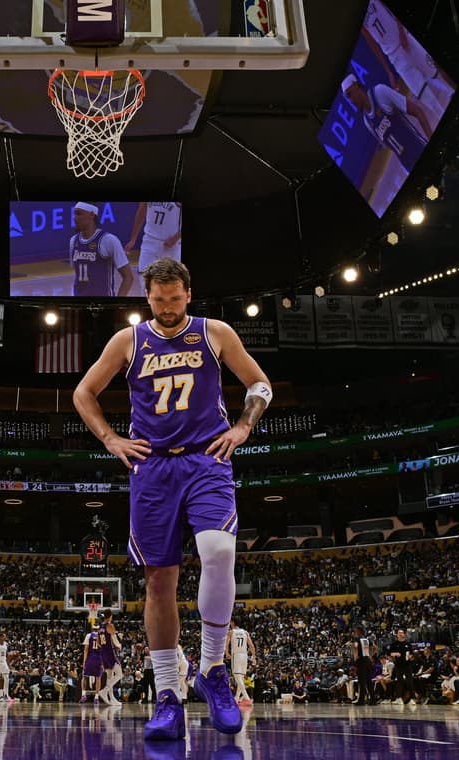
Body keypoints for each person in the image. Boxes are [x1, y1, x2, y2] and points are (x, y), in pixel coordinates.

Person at [73, 258, 273, 742]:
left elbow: (259, 383)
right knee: (159, 581)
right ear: (148, 298)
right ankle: (168, 696)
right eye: (158, 299)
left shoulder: (214, 332)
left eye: (174, 298)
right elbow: (84, 392)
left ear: (188, 293)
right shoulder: (129, 340)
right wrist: (110, 439)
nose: (166, 307)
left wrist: (244, 425)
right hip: (153, 466)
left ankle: (212, 669)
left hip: (207, 458)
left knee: (220, 550)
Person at [341, 74, 434, 170]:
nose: (351, 101)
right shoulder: (367, 121)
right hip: (408, 166)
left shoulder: (379, 92)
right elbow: (389, 145)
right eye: (348, 98)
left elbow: (417, 111)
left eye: (350, 94)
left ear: (355, 85)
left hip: (420, 150)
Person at [69, 202, 134, 297]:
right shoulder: (73, 241)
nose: (75, 218)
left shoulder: (109, 240)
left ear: (91, 215)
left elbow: (128, 277)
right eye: (74, 214)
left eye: (79, 214)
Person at [124, 202, 183, 295]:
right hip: (149, 241)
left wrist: (176, 238)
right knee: (145, 283)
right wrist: (133, 239)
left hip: (171, 246)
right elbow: (141, 211)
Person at [97, 609, 123, 706]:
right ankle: (104, 691)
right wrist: (119, 645)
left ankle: (112, 699)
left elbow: (99, 643)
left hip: (103, 653)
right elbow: (114, 639)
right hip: (110, 653)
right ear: (110, 616)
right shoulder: (110, 625)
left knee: (110, 676)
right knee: (120, 674)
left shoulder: (100, 628)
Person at [226, 619, 256, 706]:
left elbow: (226, 644)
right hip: (245, 655)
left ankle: (246, 698)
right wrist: (254, 657)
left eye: (231, 622)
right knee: (241, 678)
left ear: (233, 622)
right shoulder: (245, 632)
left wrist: (227, 653)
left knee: (236, 676)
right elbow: (251, 645)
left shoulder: (231, 632)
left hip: (236, 654)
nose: (230, 623)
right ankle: (236, 698)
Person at [388, 628, 415, 705]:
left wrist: (410, 657)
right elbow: (389, 654)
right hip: (398, 665)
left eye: (402, 633)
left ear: (404, 634)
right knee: (399, 682)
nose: (400, 634)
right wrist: (395, 654)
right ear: (397, 635)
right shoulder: (394, 644)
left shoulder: (408, 644)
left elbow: (411, 654)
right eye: (399, 633)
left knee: (410, 681)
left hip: (407, 665)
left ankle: (412, 699)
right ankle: (399, 698)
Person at [352, 625, 376, 705]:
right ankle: (373, 700)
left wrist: (355, 657)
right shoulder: (367, 639)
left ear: (358, 632)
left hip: (361, 661)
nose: (354, 633)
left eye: (355, 631)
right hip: (368, 661)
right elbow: (375, 648)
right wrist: (370, 655)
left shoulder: (357, 639)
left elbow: (355, 646)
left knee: (362, 682)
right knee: (369, 681)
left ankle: (361, 700)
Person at [80, 621, 103, 704]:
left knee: (85, 676)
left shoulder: (89, 635)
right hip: (99, 658)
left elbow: (86, 649)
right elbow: (103, 650)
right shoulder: (102, 636)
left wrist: (84, 662)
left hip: (90, 657)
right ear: (99, 629)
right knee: (98, 678)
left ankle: (83, 695)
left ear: (92, 628)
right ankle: (96, 697)